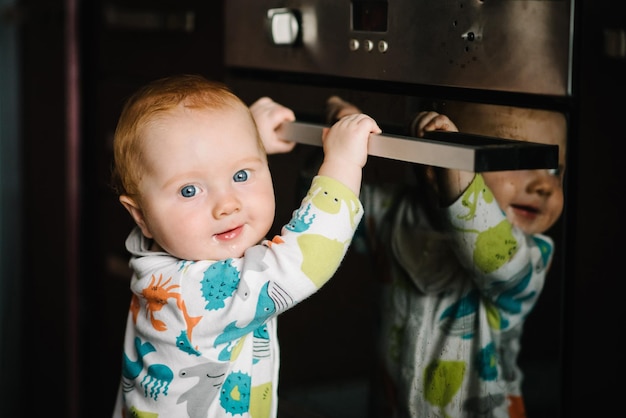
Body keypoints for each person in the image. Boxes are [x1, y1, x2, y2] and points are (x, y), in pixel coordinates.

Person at [110, 74, 381, 418]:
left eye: (240, 175)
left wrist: (247, 132)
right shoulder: (194, 296)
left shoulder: (153, 254)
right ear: (140, 215)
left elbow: (189, 157)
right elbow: (304, 259)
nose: (227, 205)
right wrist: (342, 163)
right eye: (189, 191)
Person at [325, 97, 566, 418]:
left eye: (554, 168)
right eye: (518, 158)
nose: (544, 185)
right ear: (431, 167)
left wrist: (453, 166)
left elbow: (493, 254)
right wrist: (341, 144)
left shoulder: (533, 253)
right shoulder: (392, 214)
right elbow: (326, 220)